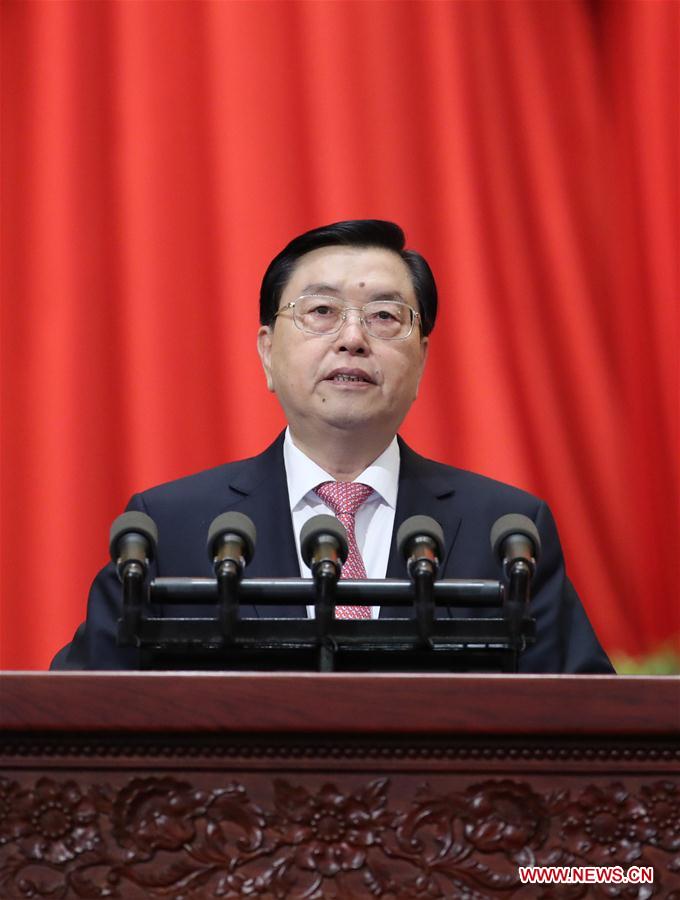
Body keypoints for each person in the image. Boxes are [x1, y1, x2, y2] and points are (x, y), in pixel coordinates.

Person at [51, 220, 613, 672]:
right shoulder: (170, 528)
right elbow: (77, 715)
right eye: (321, 312)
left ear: (422, 360)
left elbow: (587, 725)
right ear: (268, 353)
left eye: (385, 316)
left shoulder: (508, 531)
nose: (352, 338)